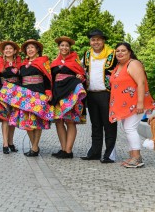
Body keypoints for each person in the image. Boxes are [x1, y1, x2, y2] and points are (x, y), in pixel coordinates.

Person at [0, 39, 53, 157]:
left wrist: (48, 91)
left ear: (37, 49)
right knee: (27, 122)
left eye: (32, 47)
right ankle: (34, 147)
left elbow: (48, 77)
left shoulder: (43, 61)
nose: (30, 50)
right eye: (28, 48)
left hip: (39, 93)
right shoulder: (22, 64)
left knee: (37, 122)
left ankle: (35, 147)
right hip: (25, 94)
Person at [109, 42, 155, 168]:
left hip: (135, 104)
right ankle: (132, 156)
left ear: (129, 52)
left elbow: (141, 83)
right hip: (125, 105)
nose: (120, 53)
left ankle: (137, 158)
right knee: (127, 129)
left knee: (130, 128)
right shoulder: (118, 65)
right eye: (117, 51)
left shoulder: (133, 63)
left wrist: (140, 103)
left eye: (123, 50)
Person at [81, 29, 118, 163]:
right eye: (93, 39)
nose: (95, 42)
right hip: (91, 94)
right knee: (95, 125)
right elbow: (79, 70)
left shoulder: (113, 54)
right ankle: (95, 152)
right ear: (90, 42)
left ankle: (109, 154)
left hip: (107, 94)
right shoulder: (86, 55)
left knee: (109, 125)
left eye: (98, 39)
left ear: (103, 41)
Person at [50, 36, 87, 159]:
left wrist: (80, 76)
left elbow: (82, 75)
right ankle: (63, 149)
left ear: (69, 48)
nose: (64, 47)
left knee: (70, 121)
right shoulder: (54, 62)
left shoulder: (75, 61)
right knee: (58, 121)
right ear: (59, 47)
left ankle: (69, 150)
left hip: (69, 91)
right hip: (57, 92)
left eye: (66, 46)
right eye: (62, 45)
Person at [0, 40, 22, 154]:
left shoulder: (20, 63)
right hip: (3, 92)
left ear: (15, 51)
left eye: (10, 49)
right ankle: (5, 144)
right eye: (6, 49)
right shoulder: (0, 64)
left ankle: (11, 142)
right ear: (3, 51)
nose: (8, 50)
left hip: (16, 92)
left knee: (13, 118)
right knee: (5, 118)